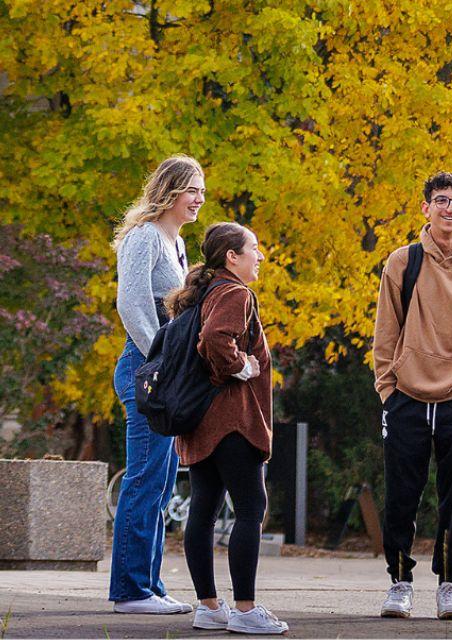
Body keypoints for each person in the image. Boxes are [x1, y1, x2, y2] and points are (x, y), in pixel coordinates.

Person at [373, 172, 452, 621]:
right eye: (441, 200)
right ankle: (400, 583)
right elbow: (385, 333)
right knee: (401, 497)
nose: (450, 208)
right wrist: (388, 390)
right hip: (406, 397)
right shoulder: (403, 261)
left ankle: (450, 584)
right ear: (426, 208)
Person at [171, 222, 288, 634]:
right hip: (232, 420)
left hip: (199, 420)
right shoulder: (235, 293)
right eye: (253, 248)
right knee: (251, 509)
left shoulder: (203, 291)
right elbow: (216, 339)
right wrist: (241, 367)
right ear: (231, 257)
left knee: (203, 511)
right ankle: (245, 610)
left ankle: (209, 607)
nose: (260, 256)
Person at [109, 155, 203, 615]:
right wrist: (159, 362)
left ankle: (150, 585)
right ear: (170, 191)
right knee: (145, 479)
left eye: (202, 191)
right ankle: (130, 592)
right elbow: (130, 304)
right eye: (192, 190)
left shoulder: (176, 241)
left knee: (162, 484)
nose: (199, 199)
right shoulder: (144, 236)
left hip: (166, 371)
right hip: (145, 368)